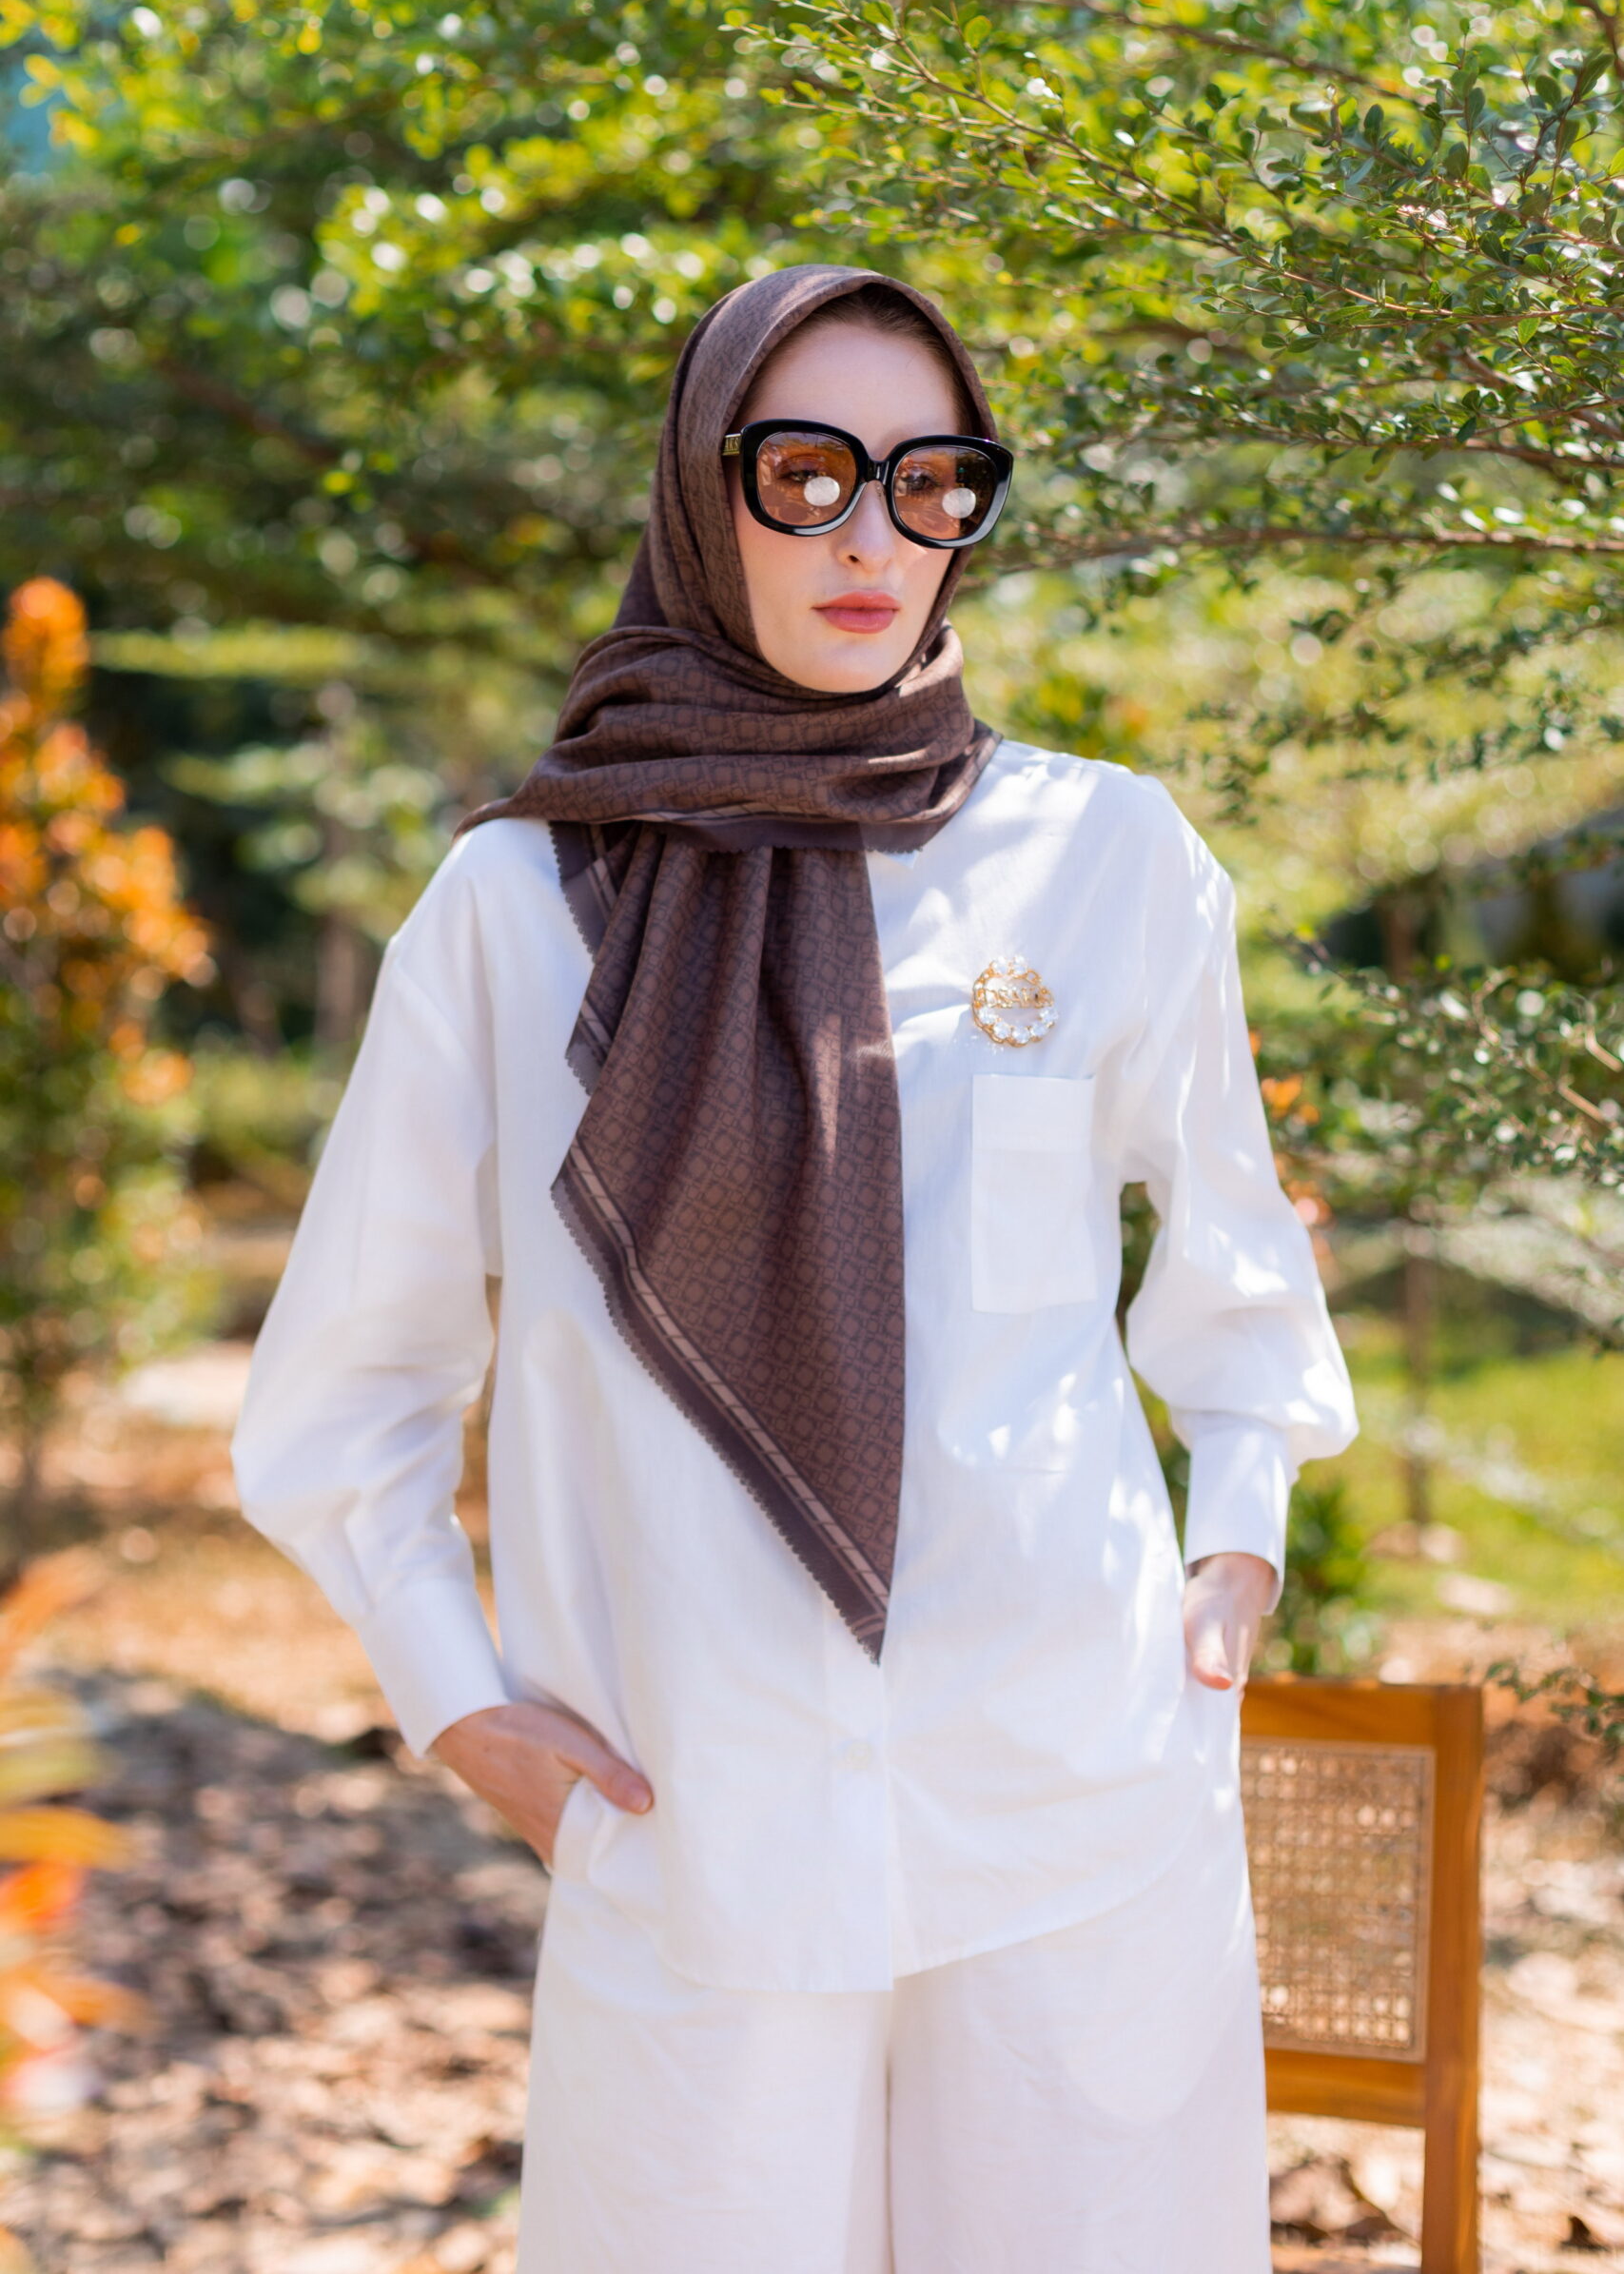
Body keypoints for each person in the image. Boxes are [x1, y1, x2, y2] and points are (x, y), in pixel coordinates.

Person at [232, 263, 1357, 2273]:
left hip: (1075, 1805)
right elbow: (346, 1386)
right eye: (807, 470)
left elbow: (1232, 1269)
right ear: (702, 483)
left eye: (932, 481)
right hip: (696, 1830)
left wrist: (1233, 1554)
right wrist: (456, 1703)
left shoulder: (1105, 857)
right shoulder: (517, 908)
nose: (871, 537)